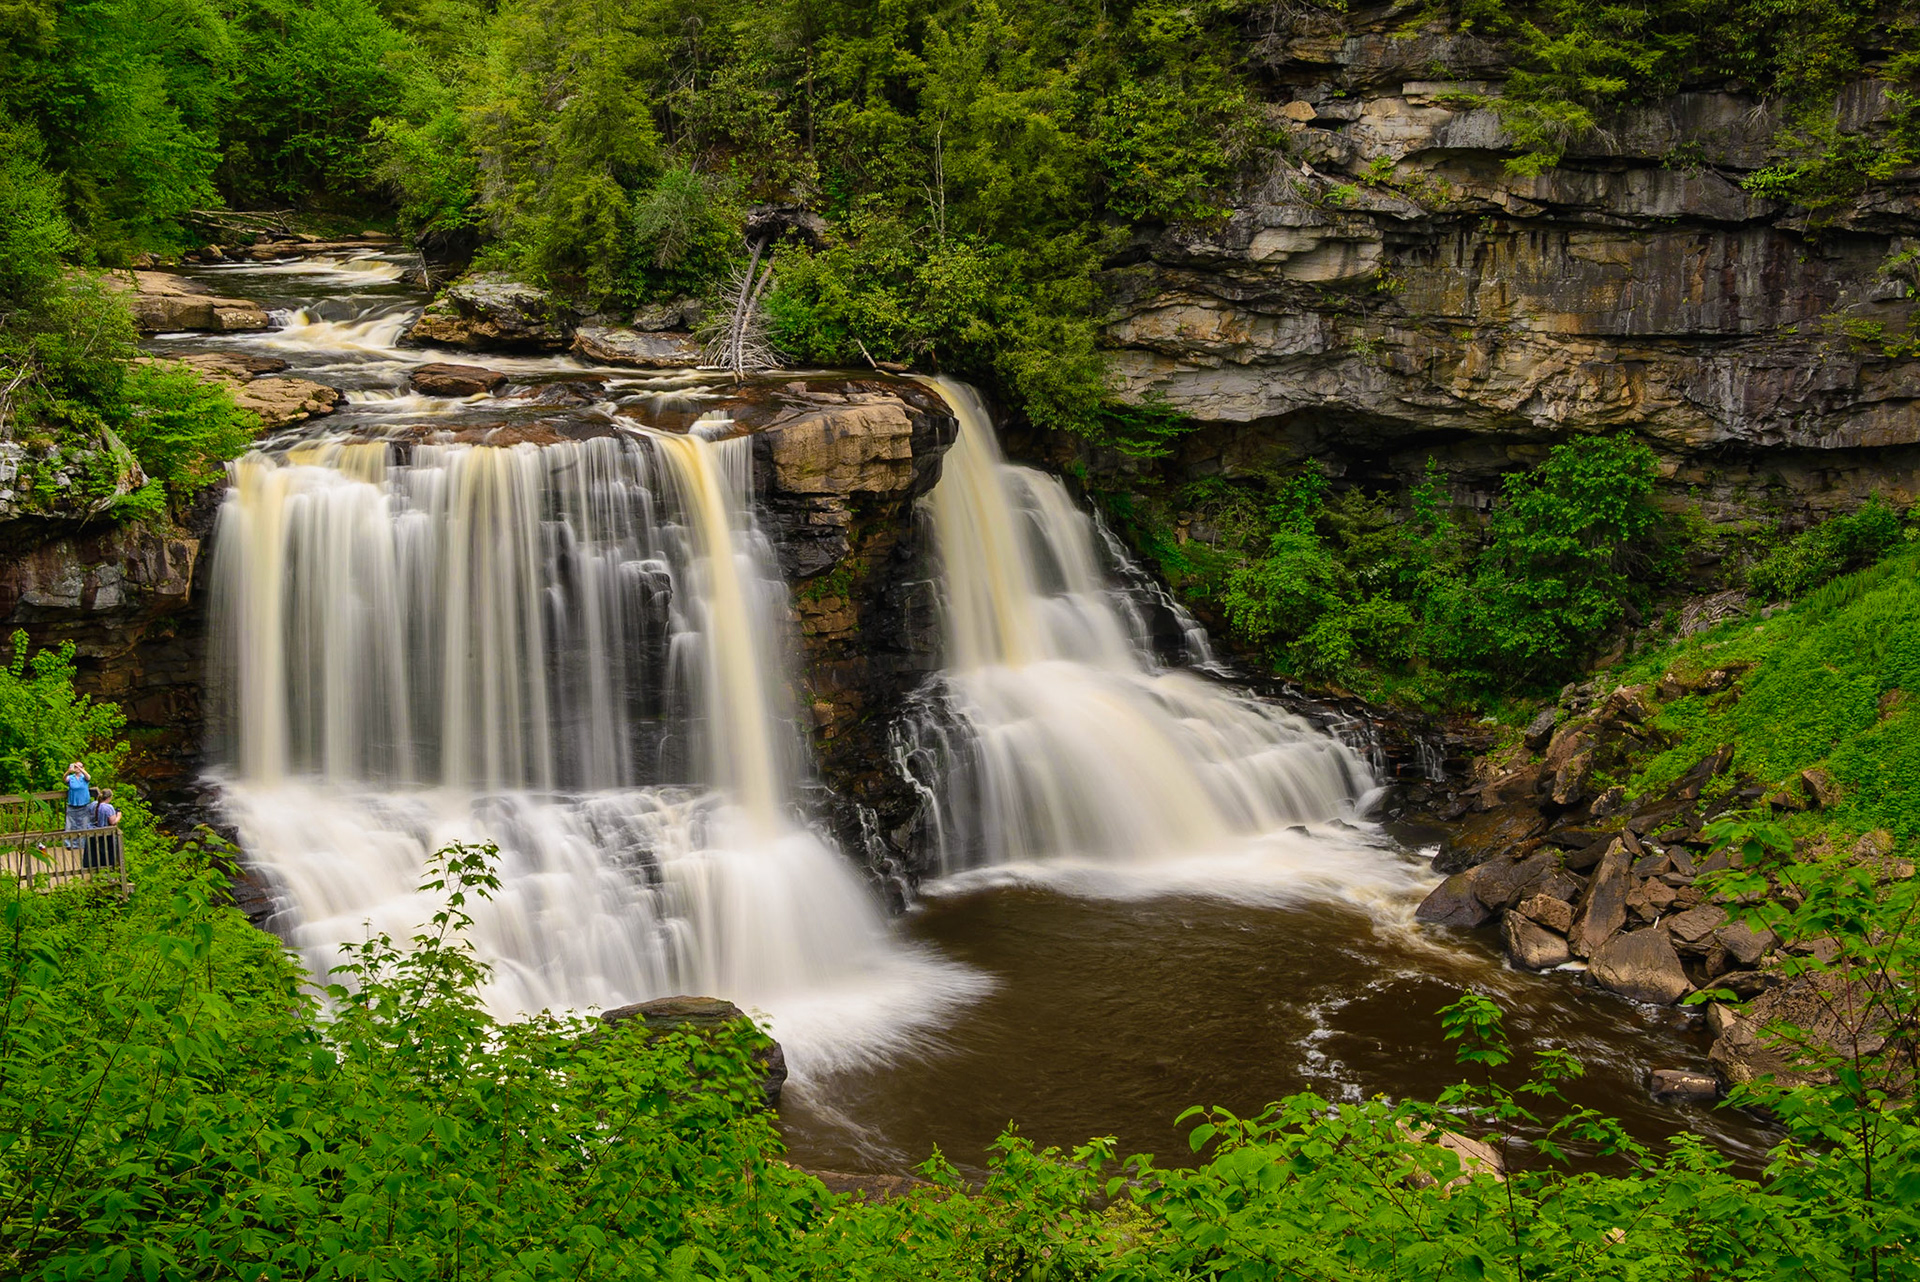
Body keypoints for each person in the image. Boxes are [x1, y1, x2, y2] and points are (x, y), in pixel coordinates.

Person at [81, 787, 122, 870]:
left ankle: (92, 868)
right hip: (104, 834)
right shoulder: (108, 807)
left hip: (93, 831)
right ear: (110, 797)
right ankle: (107, 869)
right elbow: (112, 822)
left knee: (94, 853)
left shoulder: (93, 804)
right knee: (106, 855)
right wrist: (119, 815)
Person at [64, 761, 91, 850]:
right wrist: (69, 771)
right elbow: (64, 779)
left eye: (80, 766)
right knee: (70, 825)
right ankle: (69, 844)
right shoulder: (71, 777)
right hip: (72, 804)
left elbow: (89, 777)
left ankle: (82, 845)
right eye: (76, 766)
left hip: (84, 805)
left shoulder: (84, 778)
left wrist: (81, 770)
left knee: (83, 825)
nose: (77, 768)